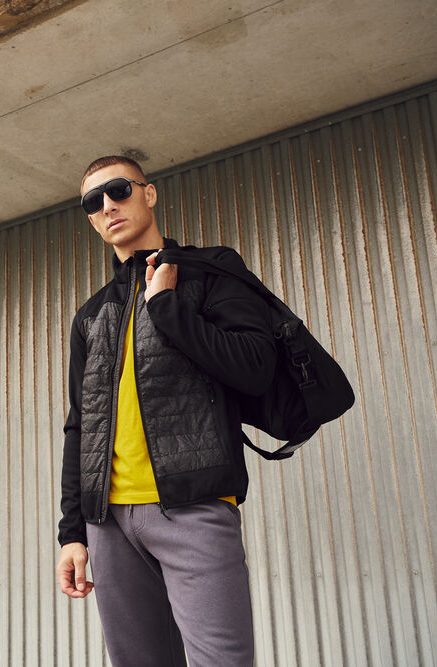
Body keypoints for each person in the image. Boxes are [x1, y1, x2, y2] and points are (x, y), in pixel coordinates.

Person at [55, 155, 277, 666]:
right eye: (93, 202)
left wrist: (166, 306)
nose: (108, 206)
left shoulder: (211, 272)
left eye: (118, 190)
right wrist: (72, 534)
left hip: (193, 507)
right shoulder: (91, 314)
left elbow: (255, 368)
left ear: (148, 193)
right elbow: (80, 426)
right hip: (108, 523)